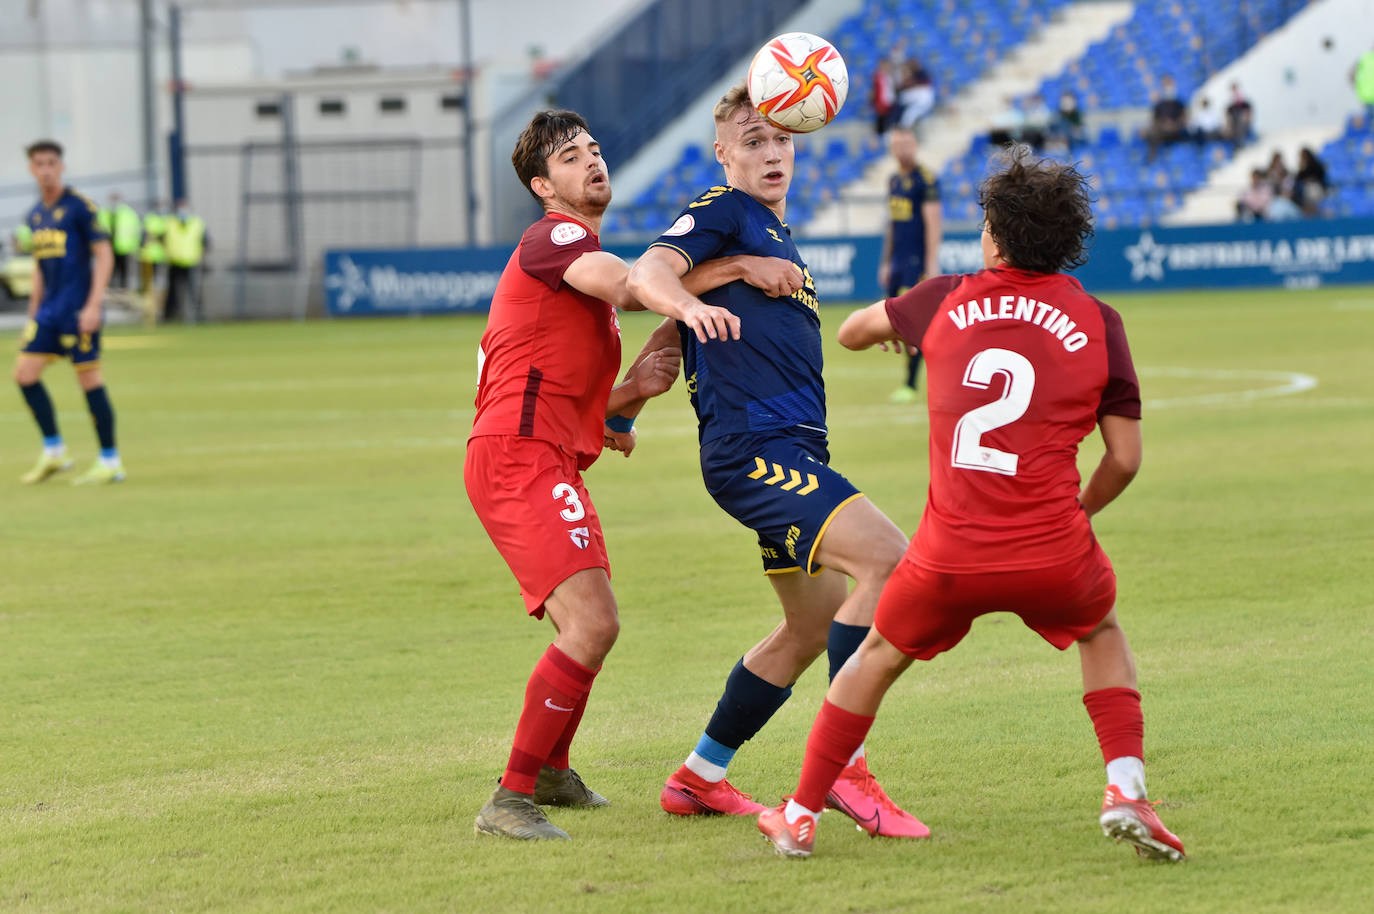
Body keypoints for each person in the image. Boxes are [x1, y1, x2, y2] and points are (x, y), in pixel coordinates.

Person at [757, 145, 1186, 864]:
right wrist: (1079, 513)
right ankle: (1125, 790)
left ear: (992, 234)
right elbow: (1126, 459)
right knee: (1101, 630)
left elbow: (852, 331)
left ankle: (799, 814)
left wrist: (901, 331)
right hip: (1054, 548)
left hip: (948, 556)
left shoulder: (942, 299)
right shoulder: (1100, 321)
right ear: (1068, 243)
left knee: (878, 656)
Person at [467, 109, 795, 841]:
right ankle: (509, 799)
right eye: (571, 157)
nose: (592, 162)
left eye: (595, 148)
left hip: (538, 454)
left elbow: (573, 394)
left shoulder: (575, 265)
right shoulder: (557, 238)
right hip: (518, 457)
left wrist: (635, 389)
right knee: (593, 623)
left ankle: (549, 771)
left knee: (591, 626)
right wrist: (727, 274)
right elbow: (624, 285)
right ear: (541, 185)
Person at [626, 84, 928, 839]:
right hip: (754, 452)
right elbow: (647, 279)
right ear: (723, 153)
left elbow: (688, 324)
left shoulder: (772, 236)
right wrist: (716, 283)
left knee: (808, 628)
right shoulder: (724, 212)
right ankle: (847, 772)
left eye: (781, 141)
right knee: (891, 562)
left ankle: (698, 776)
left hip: (790, 450)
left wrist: (625, 400)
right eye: (752, 140)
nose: (770, 153)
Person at [13, 140, 124, 486]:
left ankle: (110, 460)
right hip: (48, 312)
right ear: (31, 170)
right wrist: (33, 312)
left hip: (78, 310)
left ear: (61, 166)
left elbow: (104, 255)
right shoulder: (34, 215)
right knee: (25, 375)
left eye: (51, 163)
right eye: (39, 164)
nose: (46, 169)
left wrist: (94, 305)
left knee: (88, 379)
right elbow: (39, 266)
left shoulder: (80, 207)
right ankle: (54, 451)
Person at [878, 127, 941, 403]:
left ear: (915, 145)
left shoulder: (925, 180)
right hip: (898, 262)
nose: (902, 149)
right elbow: (892, 224)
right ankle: (914, 380)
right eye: (897, 144)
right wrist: (885, 262)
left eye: (907, 143)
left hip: (917, 262)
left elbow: (933, 223)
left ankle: (912, 383)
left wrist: (931, 264)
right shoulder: (893, 180)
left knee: (916, 321)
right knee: (896, 321)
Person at [164, 198, 207, 323]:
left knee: (194, 291)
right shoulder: (170, 223)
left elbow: (205, 242)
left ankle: (198, 315)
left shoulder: (197, 223)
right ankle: (171, 316)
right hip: (174, 262)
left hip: (191, 262)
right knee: (173, 292)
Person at [1145, 76, 1188, 162]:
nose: (1168, 87)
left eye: (1169, 84)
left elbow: (1184, 119)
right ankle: (1152, 160)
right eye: (1165, 85)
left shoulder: (1179, 104)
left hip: (1177, 132)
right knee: (1151, 134)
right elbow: (1155, 120)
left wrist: (1174, 125)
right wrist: (1165, 125)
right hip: (1163, 132)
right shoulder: (1159, 105)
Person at [1292, 146, 1328, 216]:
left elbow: (1320, 175)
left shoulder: (1315, 165)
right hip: (1305, 189)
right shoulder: (1302, 167)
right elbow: (1298, 178)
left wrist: (1311, 179)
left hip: (1315, 187)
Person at [1223, 82, 1253, 148]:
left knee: (1240, 119)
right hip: (1234, 126)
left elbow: (1249, 115)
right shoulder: (1230, 107)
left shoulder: (1245, 104)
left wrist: (1246, 119)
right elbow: (1227, 118)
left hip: (1242, 123)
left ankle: (1242, 141)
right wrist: (1228, 127)